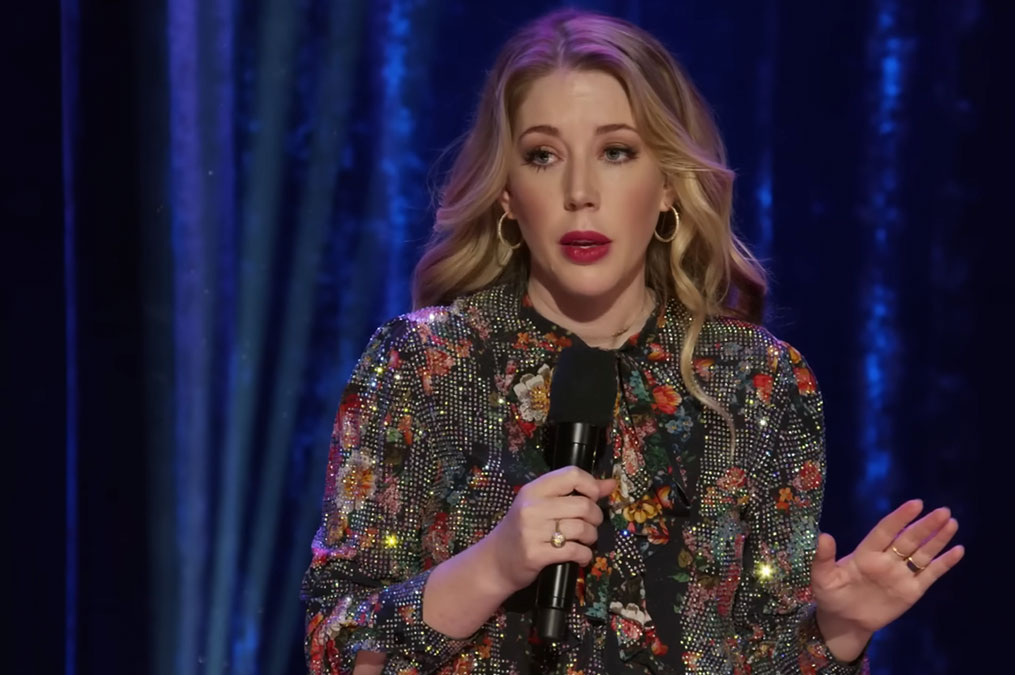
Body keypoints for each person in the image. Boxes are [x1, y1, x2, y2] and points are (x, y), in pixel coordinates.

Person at [300, 8, 963, 674]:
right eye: (542, 156)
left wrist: (839, 631)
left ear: (670, 185)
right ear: (506, 195)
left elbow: (766, 659)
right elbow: (337, 648)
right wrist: (493, 565)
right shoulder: (425, 365)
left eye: (616, 152)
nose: (580, 193)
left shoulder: (758, 381)